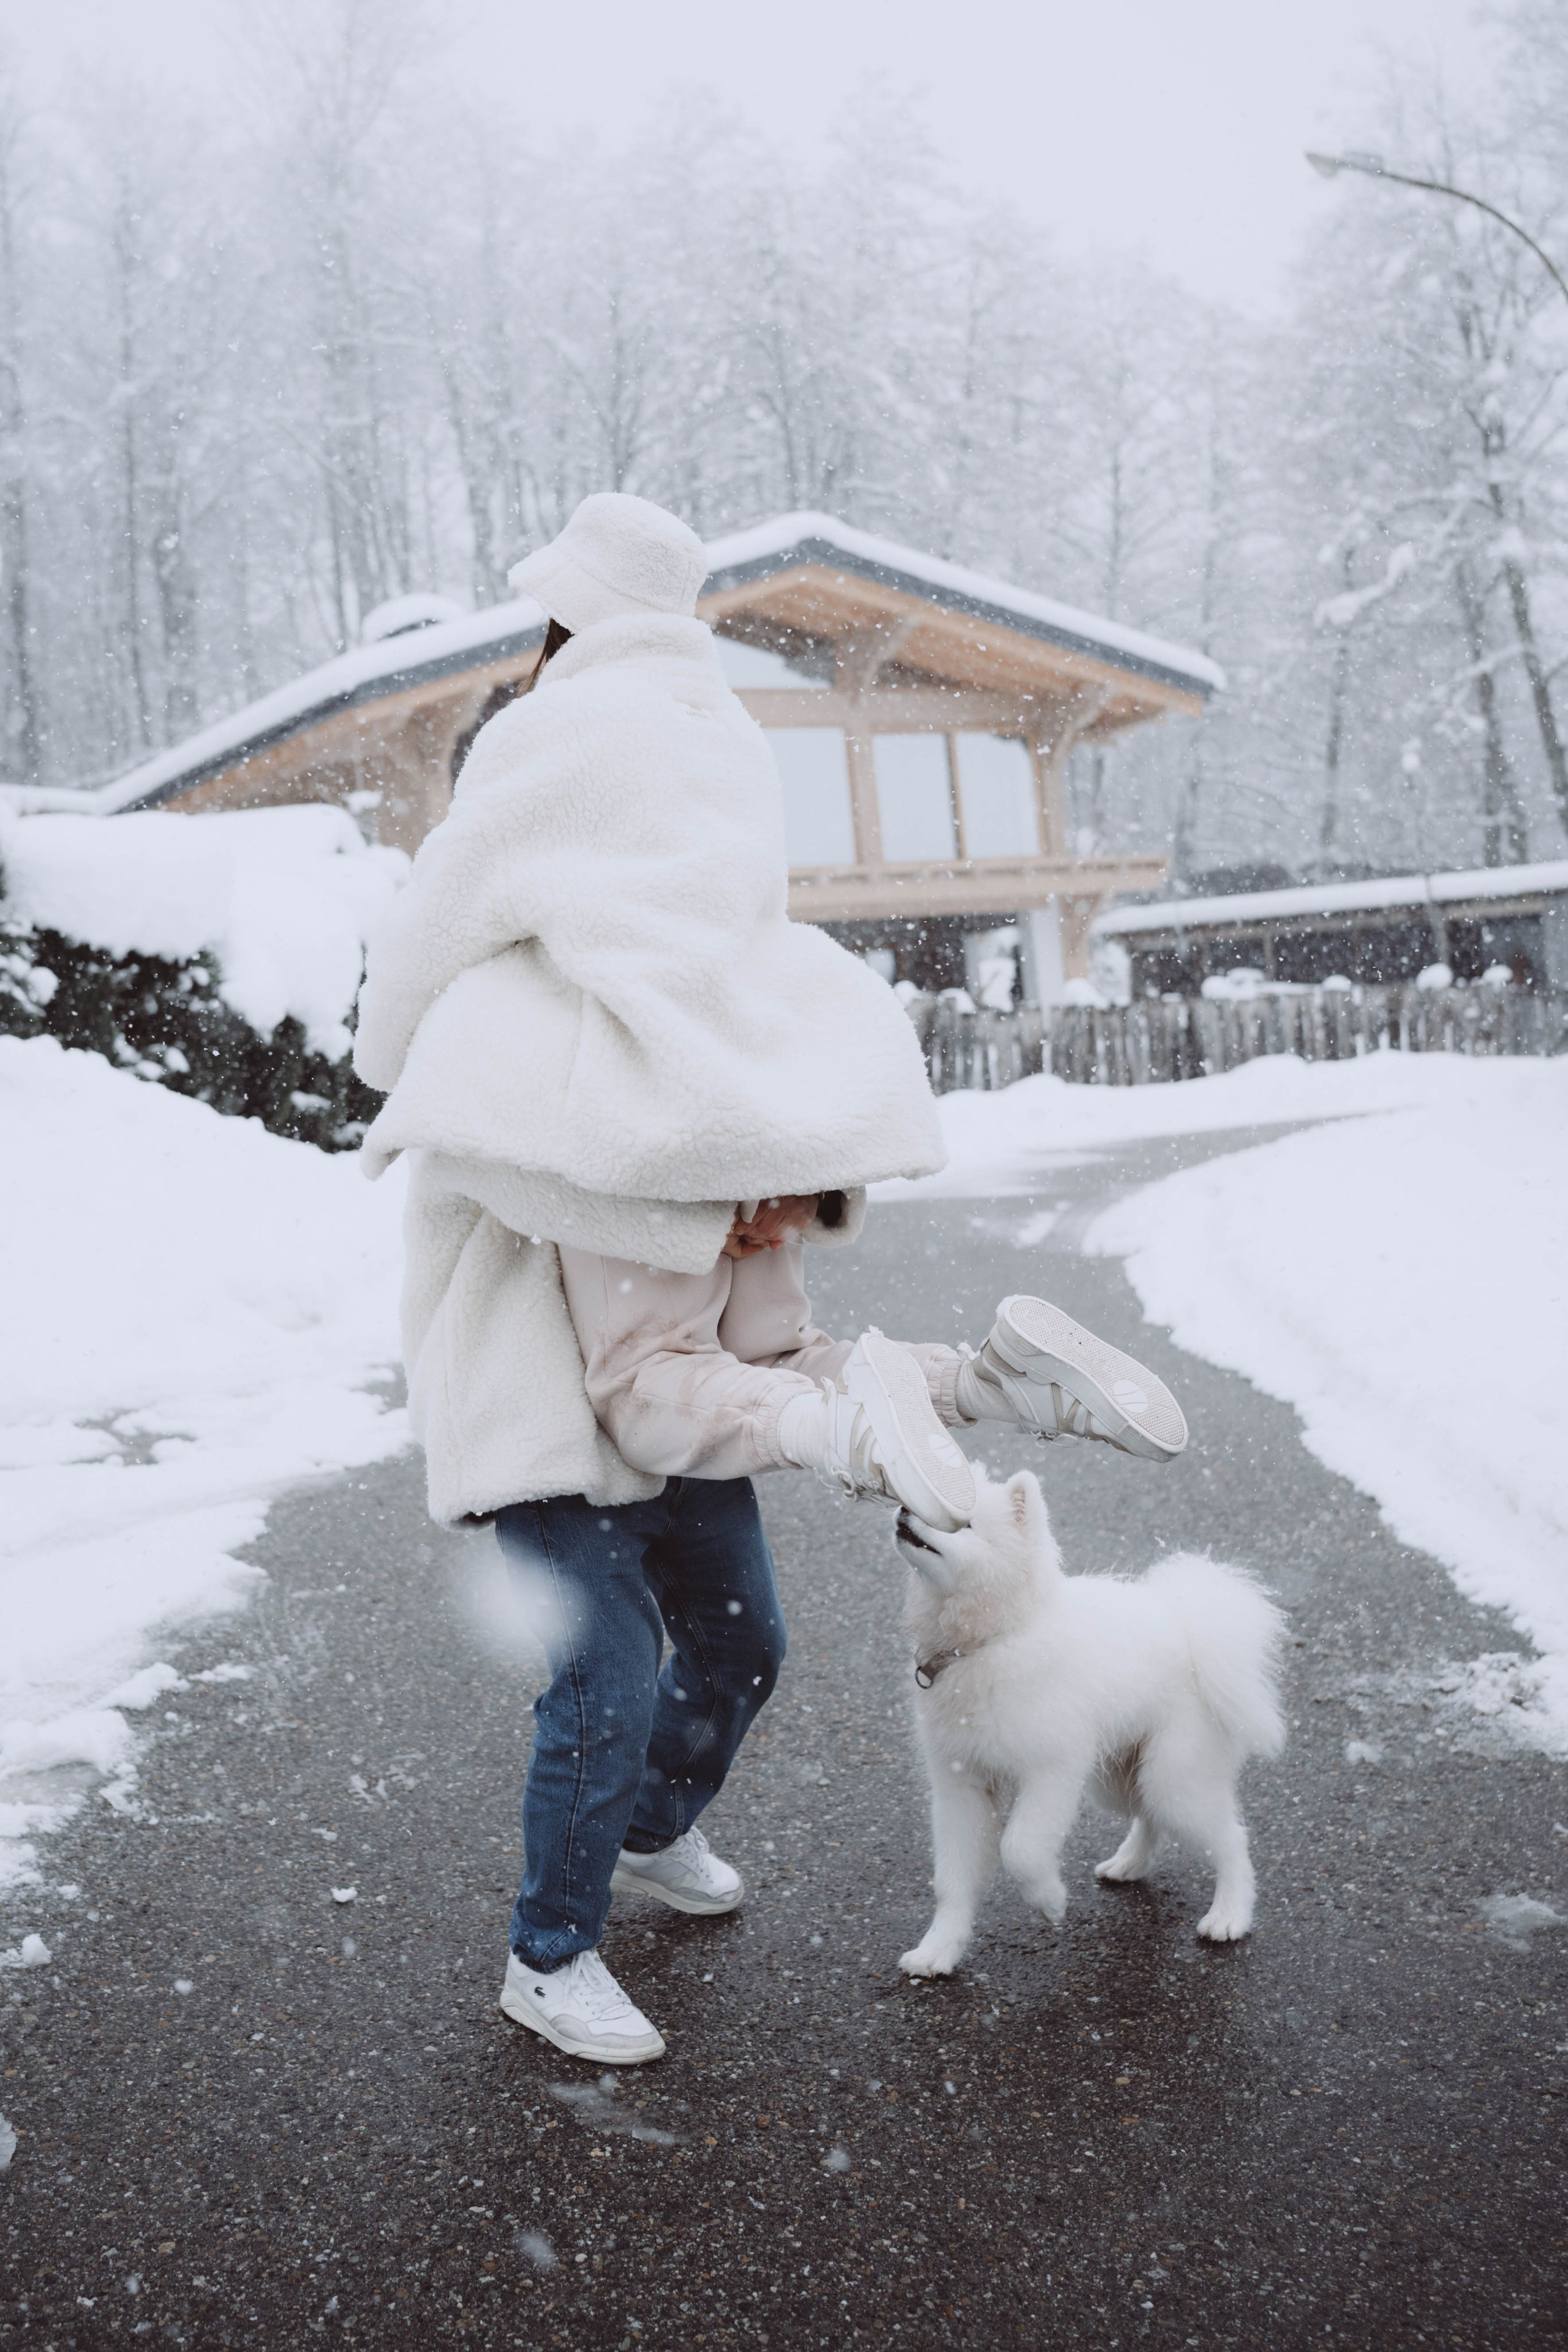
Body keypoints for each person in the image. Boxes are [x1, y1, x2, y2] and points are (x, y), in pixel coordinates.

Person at [353, 493, 1186, 2065]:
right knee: (608, 1662)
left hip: (657, 1193)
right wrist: (833, 1426)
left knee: (738, 1640)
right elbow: (656, 1401)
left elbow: (438, 925)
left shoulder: (579, 763)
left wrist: (399, 1051)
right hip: (554, 1381)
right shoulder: (654, 759)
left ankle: (657, 1819)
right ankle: (548, 1953)